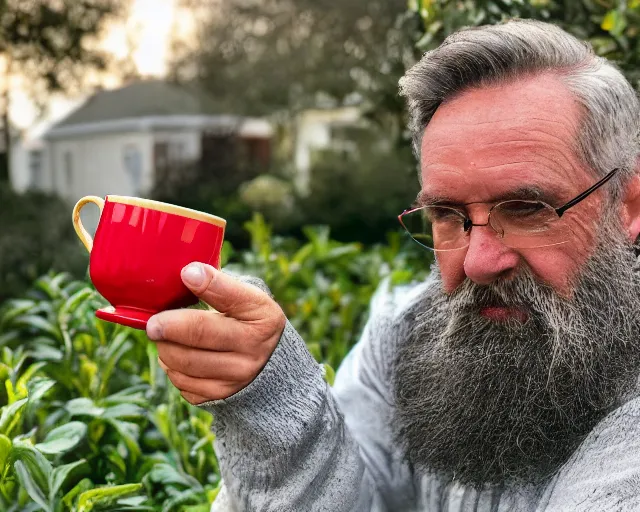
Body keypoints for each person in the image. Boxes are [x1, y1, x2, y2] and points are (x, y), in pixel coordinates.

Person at [145, 19, 640, 511]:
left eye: (528, 209)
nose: (479, 262)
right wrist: (270, 397)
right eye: (447, 215)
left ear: (630, 206)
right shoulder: (409, 337)